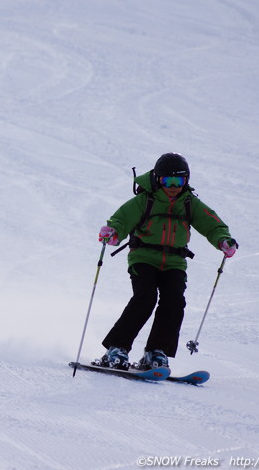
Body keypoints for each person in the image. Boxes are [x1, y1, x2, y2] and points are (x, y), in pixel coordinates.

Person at [97, 152, 237, 371]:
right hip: (143, 257)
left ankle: (156, 352)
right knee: (145, 297)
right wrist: (113, 232)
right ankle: (117, 348)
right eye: (167, 181)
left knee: (174, 301)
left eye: (179, 181)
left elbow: (212, 224)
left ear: (186, 181)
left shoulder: (189, 203)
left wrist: (223, 241)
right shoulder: (145, 200)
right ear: (157, 179)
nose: (173, 186)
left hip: (174, 261)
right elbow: (122, 219)